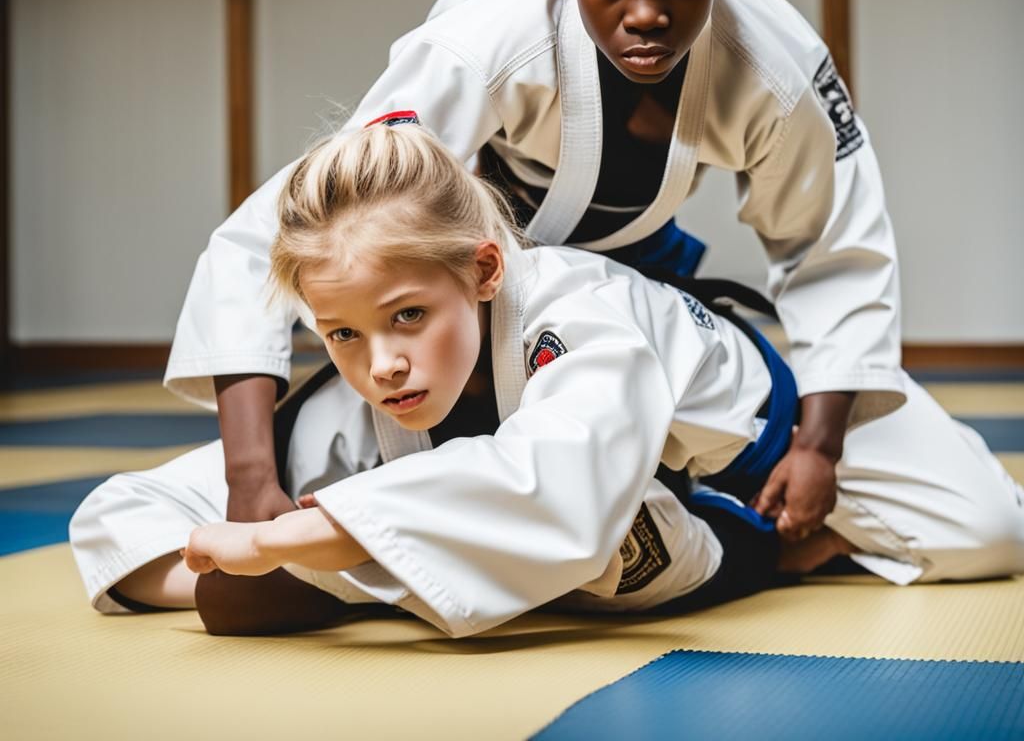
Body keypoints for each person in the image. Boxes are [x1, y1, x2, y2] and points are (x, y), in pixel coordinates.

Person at [169, 0, 898, 545]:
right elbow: (299, 227)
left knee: (976, 524)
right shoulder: (486, 41)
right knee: (168, 524)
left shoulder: (776, 65)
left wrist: (819, 445)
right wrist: (250, 477)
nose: (647, 13)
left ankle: (706, 524)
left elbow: (833, 246)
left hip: (639, 305)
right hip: (481, 319)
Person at [70, 125, 1024, 638]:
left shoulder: (578, 317)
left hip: (744, 442)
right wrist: (257, 566)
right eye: (343, 335)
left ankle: (782, 555)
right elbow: (118, 519)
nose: (383, 364)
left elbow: (564, 488)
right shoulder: (358, 405)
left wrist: (304, 538)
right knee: (548, 542)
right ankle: (416, 561)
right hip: (604, 501)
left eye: (409, 317)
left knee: (990, 533)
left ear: (483, 274)